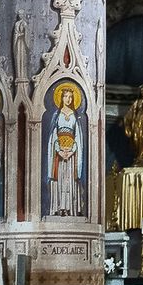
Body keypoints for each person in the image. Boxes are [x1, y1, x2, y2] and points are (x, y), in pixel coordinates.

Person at [49, 85, 85, 216]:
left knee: (69, 180)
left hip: (71, 154)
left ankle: (69, 207)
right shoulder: (57, 115)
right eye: (66, 96)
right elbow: (53, 135)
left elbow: (78, 137)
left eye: (70, 97)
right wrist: (58, 150)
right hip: (59, 153)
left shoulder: (75, 116)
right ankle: (59, 207)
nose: (68, 99)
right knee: (60, 180)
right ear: (61, 98)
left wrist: (72, 151)